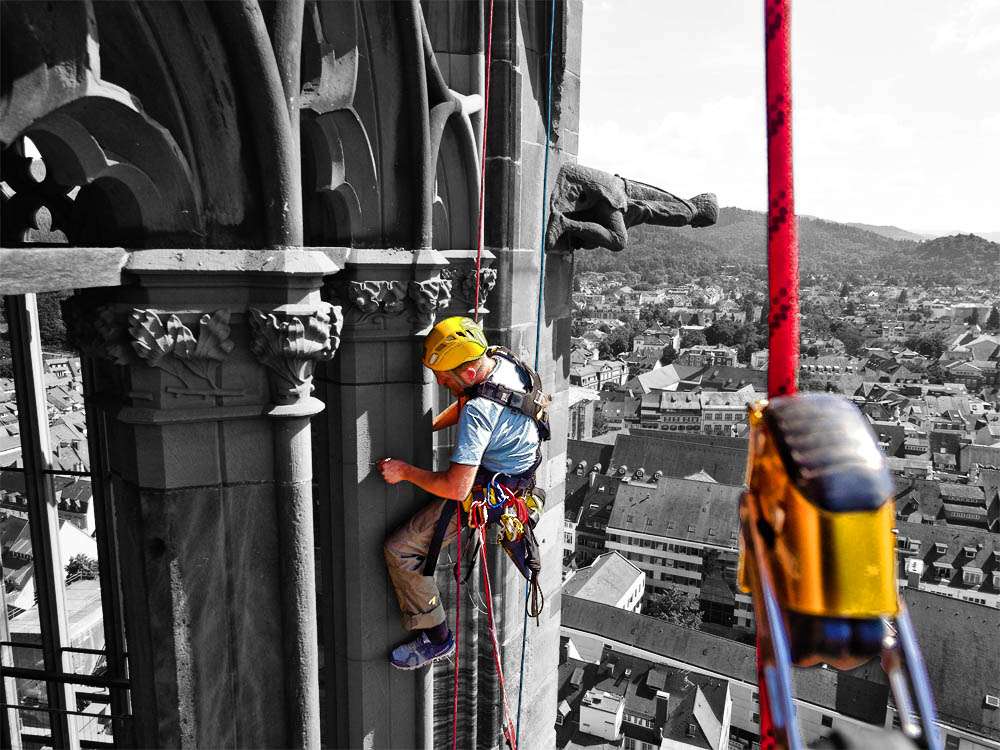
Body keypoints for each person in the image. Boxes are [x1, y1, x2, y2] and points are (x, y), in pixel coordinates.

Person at [378, 316, 547, 670]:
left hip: (491, 490)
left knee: (400, 549)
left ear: (469, 372)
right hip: (520, 474)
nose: (440, 382)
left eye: (444, 377)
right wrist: (430, 426)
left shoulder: (479, 411)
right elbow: (477, 396)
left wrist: (404, 472)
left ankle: (438, 638)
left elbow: (456, 488)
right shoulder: (501, 360)